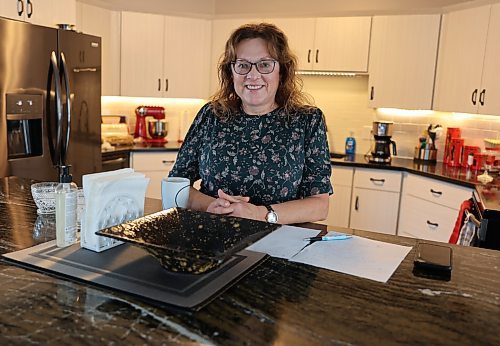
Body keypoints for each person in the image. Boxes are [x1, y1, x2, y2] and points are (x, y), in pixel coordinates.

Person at [169, 23, 332, 224]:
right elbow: (176, 184)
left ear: (282, 71)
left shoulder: (308, 121)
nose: (252, 75)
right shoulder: (211, 115)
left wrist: (259, 214)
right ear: (231, 72)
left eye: (265, 64)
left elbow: (319, 204)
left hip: (280, 239)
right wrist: (210, 206)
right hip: (212, 233)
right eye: (243, 65)